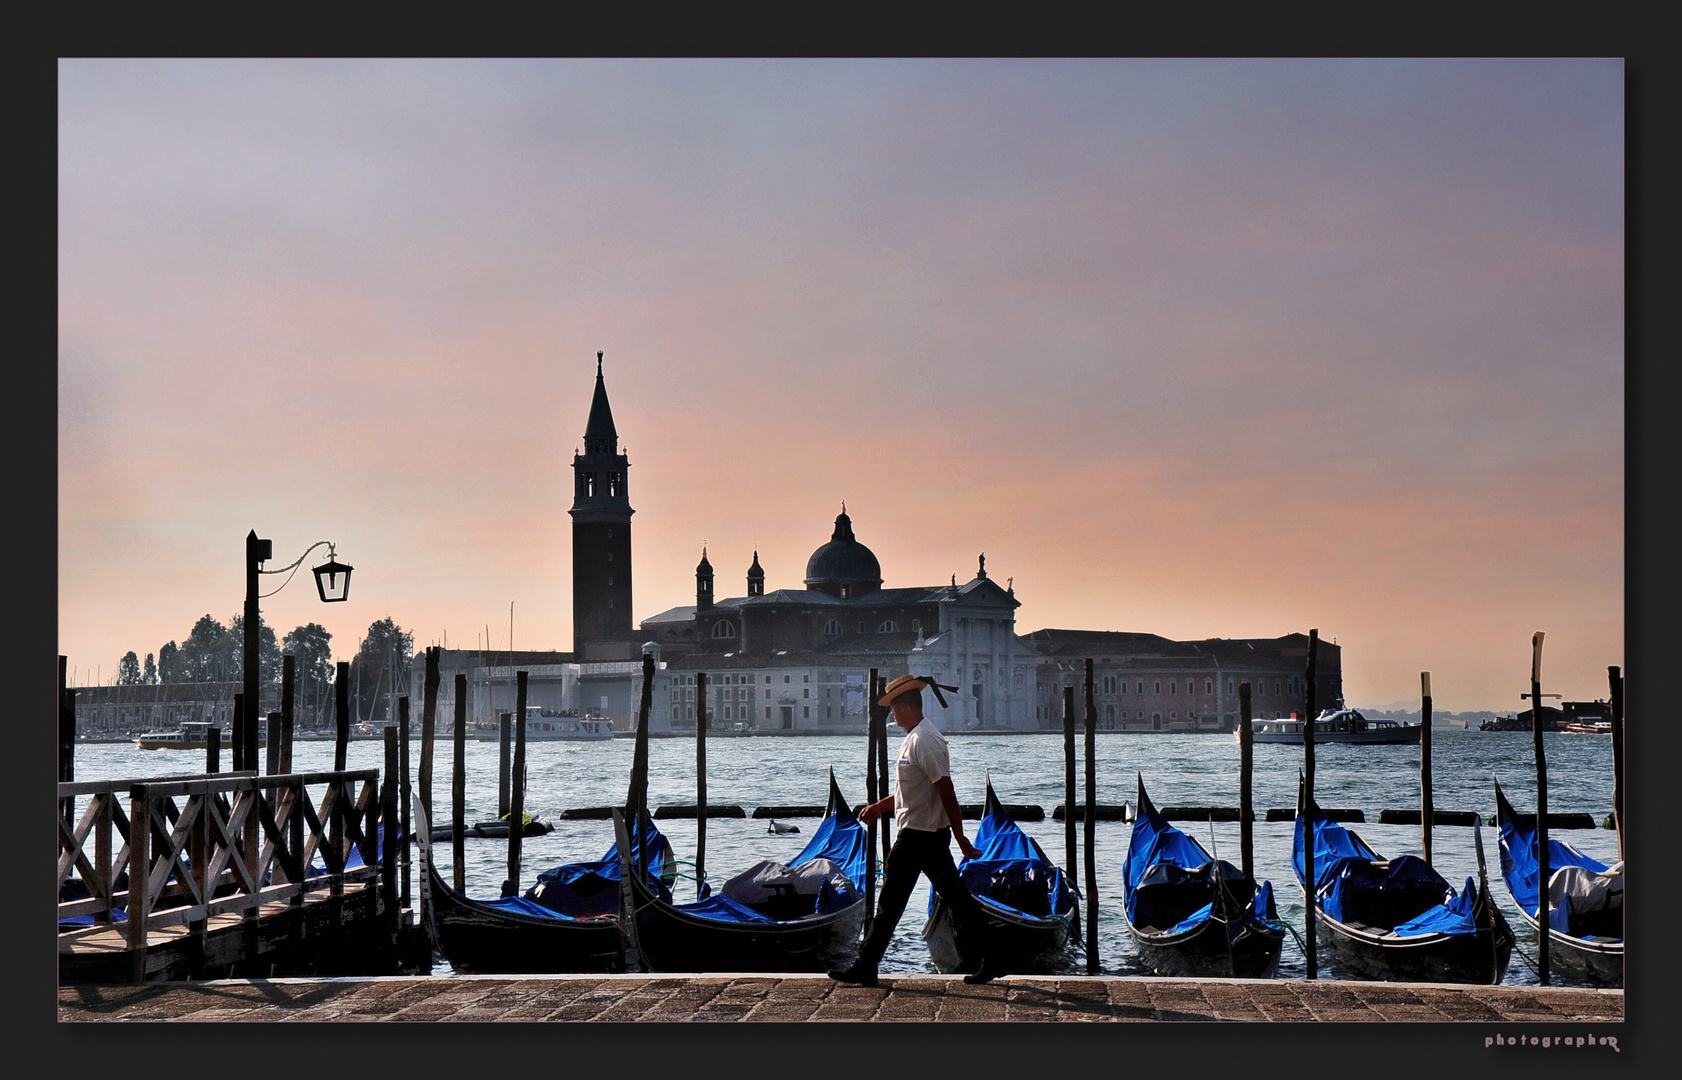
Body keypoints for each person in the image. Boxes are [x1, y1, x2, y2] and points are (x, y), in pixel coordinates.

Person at [829, 674, 1003, 987]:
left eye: (894, 709)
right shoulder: (915, 739)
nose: (892, 715)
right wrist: (878, 808)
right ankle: (992, 957)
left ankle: (865, 966)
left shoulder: (925, 740)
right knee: (956, 902)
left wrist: (962, 836)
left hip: (919, 838)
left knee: (892, 905)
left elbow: (946, 790)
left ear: (906, 707)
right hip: (924, 837)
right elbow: (914, 792)